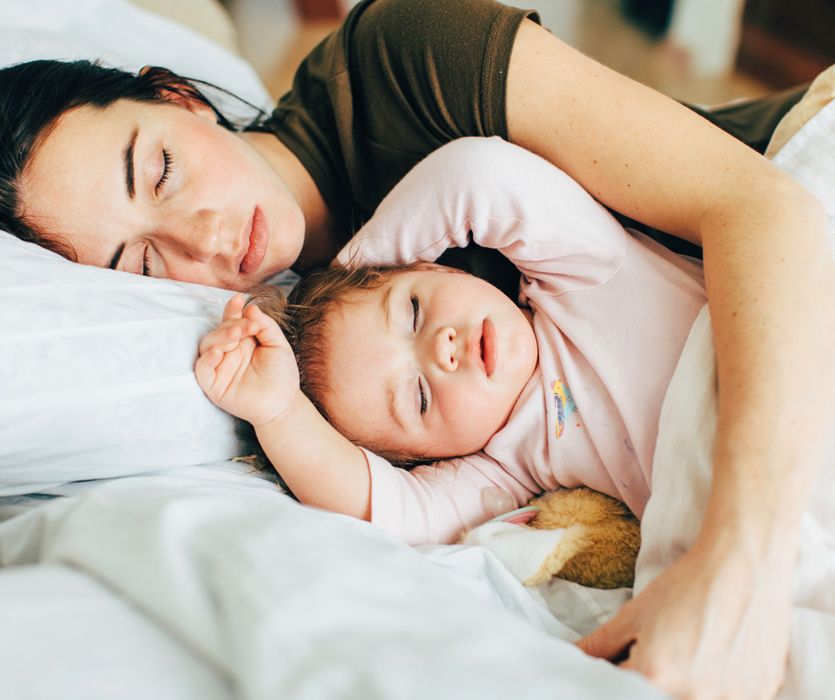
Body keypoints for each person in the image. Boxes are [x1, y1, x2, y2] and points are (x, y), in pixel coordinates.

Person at [0, 1, 832, 697]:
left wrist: (738, 568)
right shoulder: (400, 405)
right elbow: (393, 511)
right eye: (141, 263)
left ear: (181, 99)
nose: (205, 241)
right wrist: (286, 408)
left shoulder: (395, 63)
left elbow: (764, 211)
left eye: (163, 172)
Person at [196, 137, 708, 546]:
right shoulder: (507, 465)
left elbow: (478, 174)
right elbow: (386, 511)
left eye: (413, 310)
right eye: (418, 396)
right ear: (435, 456)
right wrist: (281, 413)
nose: (441, 350)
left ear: (430, 264)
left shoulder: (580, 272)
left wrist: (358, 273)